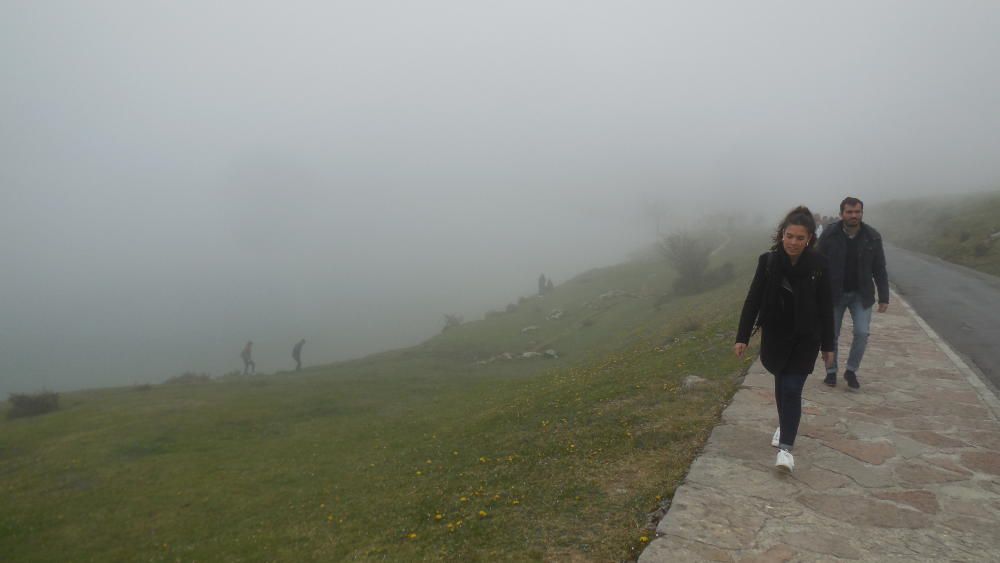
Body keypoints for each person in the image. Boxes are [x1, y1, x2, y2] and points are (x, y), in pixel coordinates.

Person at [734, 206, 835, 473]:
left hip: (806, 338)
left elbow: (826, 307)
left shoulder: (819, 266)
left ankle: (786, 451)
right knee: (781, 384)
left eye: (800, 238)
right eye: (789, 236)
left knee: (791, 389)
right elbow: (753, 299)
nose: (793, 242)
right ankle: (785, 424)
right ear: (781, 235)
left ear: (810, 239)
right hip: (776, 336)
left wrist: (828, 345)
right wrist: (742, 336)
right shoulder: (767, 262)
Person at [817, 197, 889, 390]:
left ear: (862, 213)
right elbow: (816, 264)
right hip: (834, 294)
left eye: (857, 212)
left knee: (862, 332)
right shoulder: (829, 235)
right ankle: (831, 372)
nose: (853, 215)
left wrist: (884, 296)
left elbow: (879, 268)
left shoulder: (872, 236)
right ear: (842, 214)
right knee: (831, 334)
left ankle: (851, 370)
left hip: (861, 294)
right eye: (849, 212)